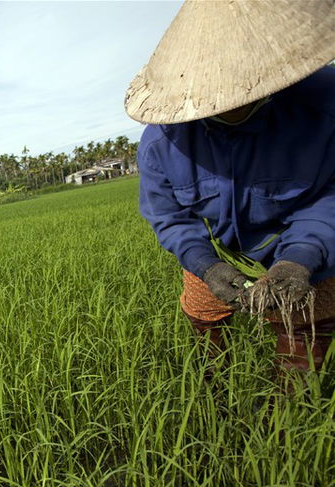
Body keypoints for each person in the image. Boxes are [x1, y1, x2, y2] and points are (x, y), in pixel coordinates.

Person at [125, 0, 335, 381]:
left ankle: (291, 414)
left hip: (312, 250)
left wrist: (301, 257)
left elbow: (330, 196)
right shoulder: (162, 143)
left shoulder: (324, 104)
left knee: (306, 335)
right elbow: (170, 219)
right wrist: (206, 265)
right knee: (202, 316)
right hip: (217, 253)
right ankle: (216, 390)